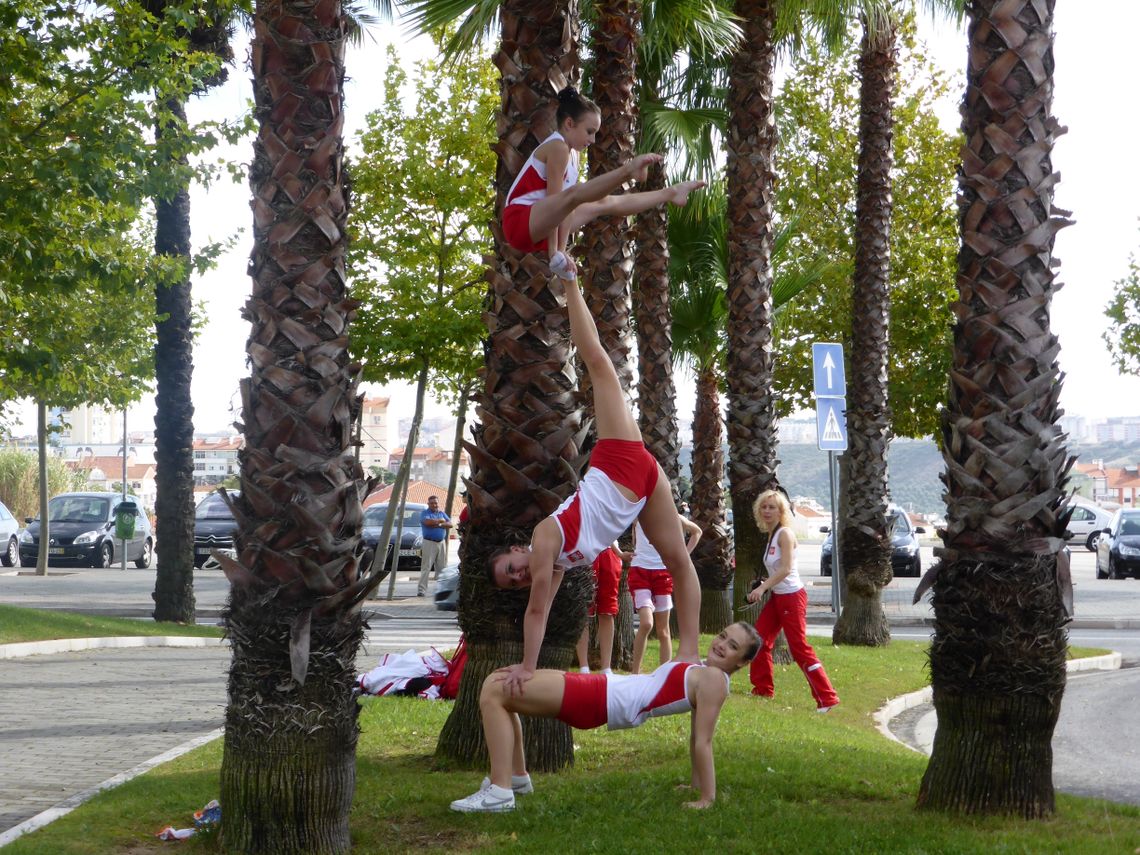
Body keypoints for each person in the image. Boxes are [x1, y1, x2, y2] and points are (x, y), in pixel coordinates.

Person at [488, 277, 703, 696]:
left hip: (618, 459)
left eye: (511, 569)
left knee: (599, 366)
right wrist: (528, 668)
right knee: (677, 559)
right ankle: (688, 654)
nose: (519, 576)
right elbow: (541, 610)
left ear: (518, 551)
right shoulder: (553, 568)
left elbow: (535, 610)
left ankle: (570, 282)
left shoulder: (545, 537)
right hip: (642, 491)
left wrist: (527, 667)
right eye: (513, 582)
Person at [449, 621, 761, 813]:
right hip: (604, 690)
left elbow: (703, 741)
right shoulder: (708, 674)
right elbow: (695, 736)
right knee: (499, 687)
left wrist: (707, 797)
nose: (720, 644)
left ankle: (501, 792)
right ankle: (514, 781)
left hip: (601, 698)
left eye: (732, 646)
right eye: (722, 636)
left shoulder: (714, 681)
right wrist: (694, 785)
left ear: (742, 662)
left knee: (496, 692)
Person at [502, 86, 705, 279]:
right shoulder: (558, 147)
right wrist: (556, 253)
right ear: (569, 124)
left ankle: (670, 192)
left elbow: (564, 210)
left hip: (541, 226)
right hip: (519, 221)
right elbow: (558, 201)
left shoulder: (574, 156)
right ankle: (628, 171)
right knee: (574, 195)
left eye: (596, 134)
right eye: (589, 131)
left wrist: (562, 253)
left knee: (603, 202)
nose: (593, 140)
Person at [745, 489, 840, 712]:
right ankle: (762, 690)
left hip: (791, 597)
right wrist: (764, 583)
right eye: (764, 507)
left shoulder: (785, 534)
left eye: (772, 507)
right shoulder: (772, 533)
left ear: (781, 511)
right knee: (758, 640)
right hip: (779, 597)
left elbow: (787, 569)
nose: (767, 511)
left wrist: (762, 587)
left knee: (799, 648)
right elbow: (779, 568)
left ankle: (827, 698)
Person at [629, 516, 701, 674]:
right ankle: (635, 673)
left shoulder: (671, 514)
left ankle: (663, 674)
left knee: (663, 630)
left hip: (663, 574)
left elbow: (697, 532)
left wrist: (684, 556)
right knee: (646, 623)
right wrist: (625, 552)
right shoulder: (639, 512)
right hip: (640, 571)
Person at [576, 542, 622, 674]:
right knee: (583, 610)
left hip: (609, 551)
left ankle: (606, 668)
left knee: (608, 611)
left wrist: (618, 553)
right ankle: (583, 667)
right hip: (586, 550)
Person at [417, 495, 452, 598]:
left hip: (441, 543)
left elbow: (450, 524)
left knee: (442, 568)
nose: (434, 505)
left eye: (436, 503)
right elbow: (427, 522)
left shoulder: (442, 513)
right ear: (428, 504)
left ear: (438, 503)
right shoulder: (425, 513)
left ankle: (442, 591)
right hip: (429, 543)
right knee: (426, 567)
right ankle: (422, 590)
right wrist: (440, 521)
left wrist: (439, 524)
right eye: (432, 503)